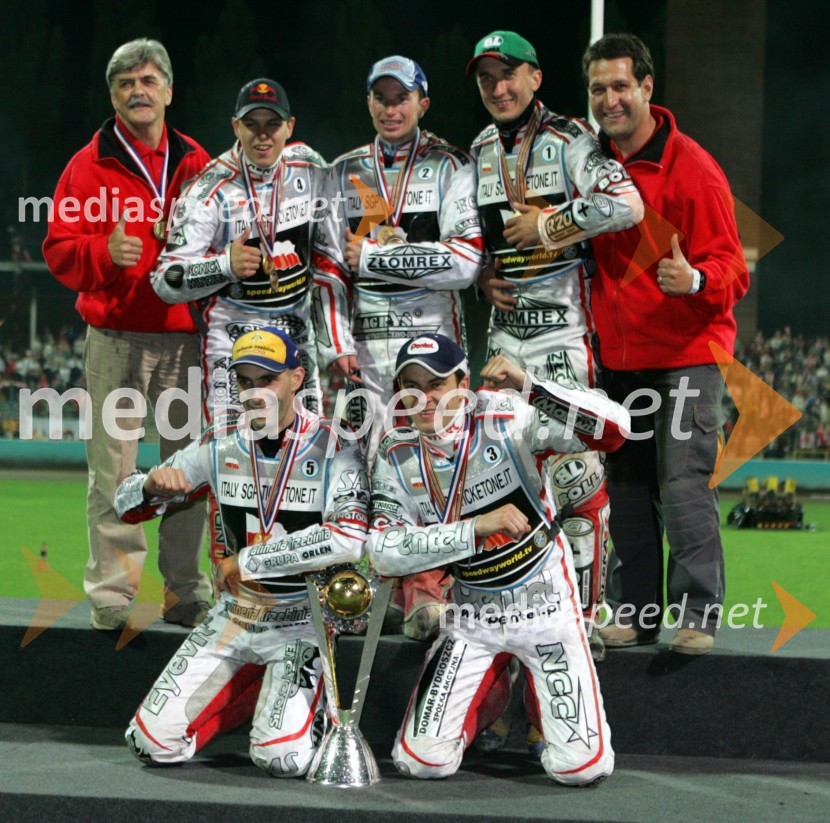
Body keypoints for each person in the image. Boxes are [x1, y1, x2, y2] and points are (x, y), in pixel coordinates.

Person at [367, 333, 631, 786]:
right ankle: (492, 686)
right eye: (411, 385)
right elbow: (384, 553)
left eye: (437, 384)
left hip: (546, 605)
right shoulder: (395, 452)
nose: (424, 398)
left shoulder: (507, 414)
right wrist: (476, 528)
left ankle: (535, 688)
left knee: (582, 770)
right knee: (420, 762)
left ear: (463, 383)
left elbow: (615, 430)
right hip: (471, 612)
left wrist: (530, 385)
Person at [114, 327, 368, 776]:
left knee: (283, 760)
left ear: (296, 378)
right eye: (245, 382)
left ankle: (288, 709)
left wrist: (248, 561)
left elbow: (347, 537)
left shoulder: (336, 443)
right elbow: (125, 505)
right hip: (234, 616)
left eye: (266, 380)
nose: (255, 393)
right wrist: (150, 485)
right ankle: (250, 688)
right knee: (148, 743)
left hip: (303, 619)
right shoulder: (221, 439)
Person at [468, 30, 644, 666]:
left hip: (565, 336)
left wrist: (551, 223)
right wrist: (481, 274)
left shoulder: (572, 139)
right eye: (487, 78)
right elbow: (477, 240)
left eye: (509, 74)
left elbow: (627, 203)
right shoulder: (481, 149)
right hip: (502, 339)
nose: (498, 87)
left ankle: (586, 622)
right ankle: (512, 622)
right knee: (504, 479)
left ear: (535, 77)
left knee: (578, 474)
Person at [582, 33, 749, 655]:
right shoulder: (588, 165)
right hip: (617, 360)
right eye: (599, 88)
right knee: (625, 494)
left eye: (621, 86)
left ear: (647, 88)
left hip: (686, 357)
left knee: (683, 486)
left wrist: (695, 279)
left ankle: (699, 614)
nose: (610, 99)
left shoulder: (692, 168)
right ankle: (636, 611)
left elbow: (735, 268)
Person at [42, 39, 212, 631]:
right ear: (112, 95)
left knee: (187, 470)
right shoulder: (86, 166)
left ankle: (186, 589)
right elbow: (59, 250)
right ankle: (114, 594)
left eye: (148, 80)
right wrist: (103, 251)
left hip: (183, 337)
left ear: (168, 89)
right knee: (111, 472)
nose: (138, 91)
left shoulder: (197, 162)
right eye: (125, 84)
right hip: (113, 336)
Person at [313, 55, 484, 639]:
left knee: (430, 473)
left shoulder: (453, 165)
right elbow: (330, 270)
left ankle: (424, 594)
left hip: (430, 355)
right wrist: (336, 348)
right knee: (356, 476)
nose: (391, 108)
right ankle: (361, 594)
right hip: (361, 356)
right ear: (368, 103)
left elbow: (465, 262)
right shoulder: (340, 173)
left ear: (423, 102)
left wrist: (382, 257)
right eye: (380, 97)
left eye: (402, 97)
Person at [151, 77, 328, 566]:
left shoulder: (313, 170)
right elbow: (164, 279)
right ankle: (230, 582)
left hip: (297, 343)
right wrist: (223, 265)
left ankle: (307, 583)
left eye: (273, 125)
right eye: (252, 125)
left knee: (307, 459)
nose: (263, 135)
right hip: (233, 345)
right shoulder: (208, 189)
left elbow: (333, 258)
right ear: (236, 127)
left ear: (290, 127)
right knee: (235, 463)